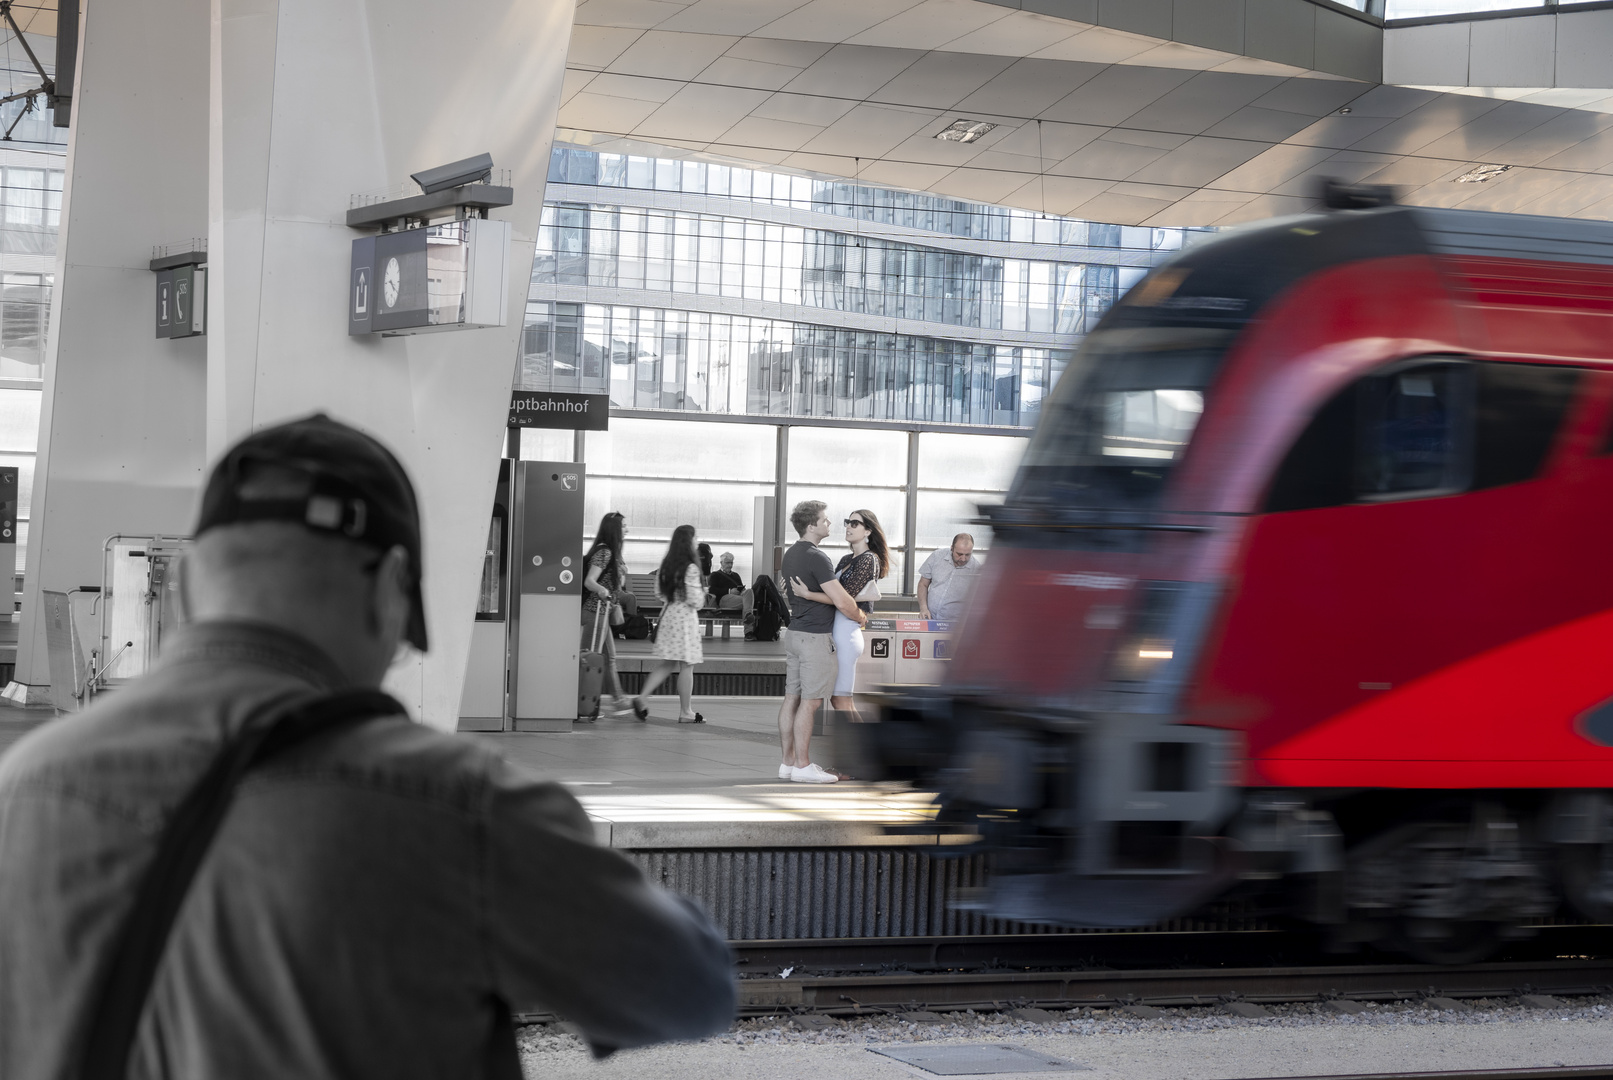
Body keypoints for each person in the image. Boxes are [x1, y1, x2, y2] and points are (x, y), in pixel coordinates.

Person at [0, 414, 735, 1079]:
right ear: (389, 586)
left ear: (190, 584)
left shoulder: (27, 782)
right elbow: (687, 993)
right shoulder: (451, 799)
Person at [777, 501, 866, 784]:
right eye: (825, 520)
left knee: (792, 698)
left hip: (795, 634)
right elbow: (842, 601)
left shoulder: (790, 554)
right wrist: (860, 615)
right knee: (811, 702)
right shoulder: (818, 557)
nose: (829, 524)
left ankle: (788, 763)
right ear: (811, 525)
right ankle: (803, 766)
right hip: (816, 637)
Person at [790, 509, 889, 722]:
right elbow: (832, 592)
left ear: (868, 531)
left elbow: (844, 599)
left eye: (855, 523)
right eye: (847, 522)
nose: (848, 527)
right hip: (836, 631)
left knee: (841, 699)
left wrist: (807, 593)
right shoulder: (846, 559)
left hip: (846, 632)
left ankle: (862, 749)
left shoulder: (869, 559)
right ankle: (861, 748)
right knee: (839, 699)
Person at [630, 524, 706, 724]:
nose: (697, 541)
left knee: (667, 663)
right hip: (685, 619)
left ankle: (642, 697)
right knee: (687, 664)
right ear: (688, 542)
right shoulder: (690, 568)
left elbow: (658, 593)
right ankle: (686, 711)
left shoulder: (665, 565)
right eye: (695, 538)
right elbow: (695, 600)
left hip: (669, 615)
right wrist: (702, 595)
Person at [582, 511, 631, 718]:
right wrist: (602, 591)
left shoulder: (611, 551)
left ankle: (619, 700)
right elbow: (589, 581)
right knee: (589, 660)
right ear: (614, 529)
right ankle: (582, 706)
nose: (627, 529)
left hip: (601, 613)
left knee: (609, 658)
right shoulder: (605, 553)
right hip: (595, 611)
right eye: (624, 526)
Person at [917, 532, 981, 623]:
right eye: (959, 554)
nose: (963, 559)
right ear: (952, 548)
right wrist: (923, 608)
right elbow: (923, 584)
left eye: (967, 555)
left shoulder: (976, 569)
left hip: (954, 625)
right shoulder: (936, 556)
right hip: (929, 618)